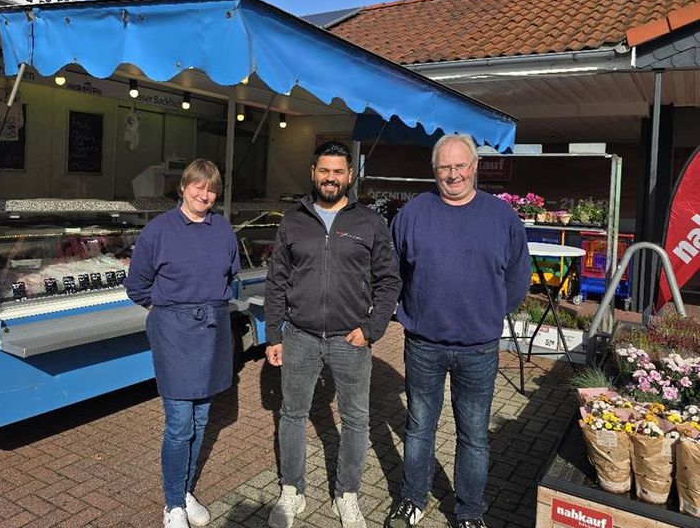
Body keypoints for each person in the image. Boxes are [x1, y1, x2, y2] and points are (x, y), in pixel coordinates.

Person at [385, 134, 530, 528]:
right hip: (424, 345)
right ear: (434, 171)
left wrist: (491, 312)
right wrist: (404, 311)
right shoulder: (413, 214)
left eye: (460, 165)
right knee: (418, 429)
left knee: (474, 436)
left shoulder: (501, 217)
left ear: (475, 167)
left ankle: (469, 512)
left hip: (479, 348)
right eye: (445, 167)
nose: (454, 174)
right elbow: (391, 272)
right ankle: (413, 498)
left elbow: (519, 275)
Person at [264, 141, 402, 528]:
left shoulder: (370, 223)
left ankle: (347, 494)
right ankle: (292, 491)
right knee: (292, 415)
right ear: (313, 172)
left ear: (350, 175)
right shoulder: (293, 219)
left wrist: (372, 330)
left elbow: (389, 282)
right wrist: (273, 335)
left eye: (338, 171)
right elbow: (276, 282)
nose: (330, 178)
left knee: (356, 419)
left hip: (351, 340)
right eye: (324, 170)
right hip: (300, 337)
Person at [125, 159, 240, 528]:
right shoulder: (158, 230)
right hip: (174, 331)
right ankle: (172, 504)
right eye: (198, 187)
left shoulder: (223, 229)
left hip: (213, 328)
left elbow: (231, 276)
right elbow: (137, 286)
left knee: (203, 417)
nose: (204, 195)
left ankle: (186, 491)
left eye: (211, 190)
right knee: (179, 424)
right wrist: (168, 311)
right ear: (183, 187)